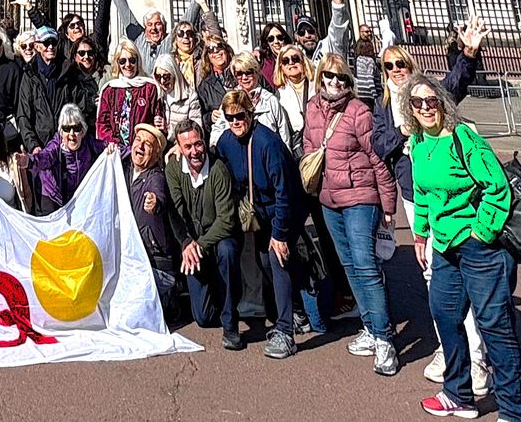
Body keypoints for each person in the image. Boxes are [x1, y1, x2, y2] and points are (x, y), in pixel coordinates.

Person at [373, 19, 489, 388]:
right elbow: (379, 146)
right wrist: (401, 131)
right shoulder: (385, 107)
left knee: (458, 275)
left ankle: (477, 357)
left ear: (411, 66)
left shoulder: (429, 96)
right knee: (432, 276)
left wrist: (468, 53)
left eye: (401, 65)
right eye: (389, 66)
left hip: (454, 199)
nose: (396, 72)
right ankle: (449, 347)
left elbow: (456, 82)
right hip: (415, 198)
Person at [403, 74, 521, 422]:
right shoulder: (420, 143)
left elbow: (497, 187)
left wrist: (480, 232)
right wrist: (421, 233)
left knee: (494, 325)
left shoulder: (463, 138)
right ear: (409, 108)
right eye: (417, 102)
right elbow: (422, 193)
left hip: (479, 248)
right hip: (444, 247)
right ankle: (459, 394)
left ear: (442, 101)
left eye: (431, 100)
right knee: (444, 315)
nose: (425, 107)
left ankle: (513, 412)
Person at [302, 55, 399, 376]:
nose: (335, 83)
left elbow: (377, 160)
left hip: (360, 198)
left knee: (365, 265)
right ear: (320, 77)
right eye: (329, 76)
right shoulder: (313, 107)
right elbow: (307, 143)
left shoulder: (358, 111)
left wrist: (388, 205)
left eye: (342, 78)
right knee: (348, 265)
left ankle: (385, 338)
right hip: (330, 199)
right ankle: (371, 327)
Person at [213, 90, 304, 360]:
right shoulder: (227, 141)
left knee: (277, 260)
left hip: (282, 209)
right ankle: (294, 309)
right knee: (265, 262)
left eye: (240, 116)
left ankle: (286, 333)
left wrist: (280, 233)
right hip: (257, 212)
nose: (235, 122)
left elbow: (285, 191)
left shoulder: (268, 143)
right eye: (230, 117)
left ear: (250, 114)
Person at [165, 119, 241, 350]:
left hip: (218, 238)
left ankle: (231, 324)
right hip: (192, 243)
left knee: (227, 250)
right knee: (204, 318)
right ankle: (217, 295)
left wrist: (198, 246)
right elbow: (175, 212)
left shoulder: (218, 169)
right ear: (179, 147)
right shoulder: (174, 169)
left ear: (205, 142)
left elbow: (226, 220)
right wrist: (187, 243)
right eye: (187, 146)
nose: (194, 151)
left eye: (198, 144)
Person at [123, 124, 179, 315]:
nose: (141, 146)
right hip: (132, 257)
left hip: (156, 262)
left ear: (155, 155)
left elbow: (159, 195)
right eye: (138, 140)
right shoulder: (124, 168)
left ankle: (171, 294)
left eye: (148, 144)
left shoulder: (155, 177)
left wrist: (155, 203)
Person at [16, 26, 97, 153]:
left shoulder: (67, 71)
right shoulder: (29, 75)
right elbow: (23, 115)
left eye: (53, 42)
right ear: (37, 46)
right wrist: (33, 146)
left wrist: (92, 102)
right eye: (46, 43)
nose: (50, 46)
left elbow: (79, 105)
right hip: (41, 147)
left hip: (66, 146)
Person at [28, 104, 105, 216]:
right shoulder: (55, 146)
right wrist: (28, 161)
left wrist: (125, 149)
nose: (71, 134)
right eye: (67, 129)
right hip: (52, 197)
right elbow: (44, 157)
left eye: (76, 128)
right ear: (61, 132)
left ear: (83, 130)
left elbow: (114, 149)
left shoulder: (89, 144)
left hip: (77, 197)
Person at [210, 52, 291, 149]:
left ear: (256, 72)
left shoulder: (270, 100)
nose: (244, 77)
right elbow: (217, 131)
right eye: (239, 74)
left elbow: (284, 135)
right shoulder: (230, 99)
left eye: (248, 72)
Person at [97, 39, 164, 146]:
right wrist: (112, 142)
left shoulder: (150, 88)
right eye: (122, 61)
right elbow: (102, 124)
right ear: (117, 63)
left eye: (132, 60)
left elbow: (156, 120)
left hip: (142, 148)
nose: (128, 65)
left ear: (138, 61)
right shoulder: (109, 90)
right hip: (116, 150)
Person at [294, 0, 350, 65]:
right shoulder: (294, 57)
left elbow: (338, 28)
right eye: (302, 33)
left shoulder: (328, 47)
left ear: (317, 32)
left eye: (310, 31)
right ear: (297, 37)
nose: (307, 36)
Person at [272, 44, 314, 157]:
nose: (291, 63)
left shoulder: (317, 85)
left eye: (295, 59)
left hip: (319, 144)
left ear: (303, 62)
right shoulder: (279, 95)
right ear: (281, 67)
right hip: (298, 152)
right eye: (285, 61)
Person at [152, 53, 202, 139]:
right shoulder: (156, 96)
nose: (162, 81)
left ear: (174, 74)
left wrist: (168, 128)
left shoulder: (190, 97)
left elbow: (197, 129)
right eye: (158, 77)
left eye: (166, 76)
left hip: (182, 145)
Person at [197, 35, 236, 129]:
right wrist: (210, 117)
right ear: (208, 57)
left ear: (226, 50)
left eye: (219, 47)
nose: (216, 52)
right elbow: (201, 116)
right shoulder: (204, 86)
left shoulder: (240, 72)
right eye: (210, 50)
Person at [257, 22, 293, 87]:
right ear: (267, 43)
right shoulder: (262, 64)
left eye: (280, 37)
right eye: (271, 39)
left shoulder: (295, 59)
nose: (276, 42)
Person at [353, 37, 380, 108]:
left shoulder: (358, 60)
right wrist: (375, 95)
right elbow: (370, 78)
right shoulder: (370, 61)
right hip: (369, 94)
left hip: (360, 93)